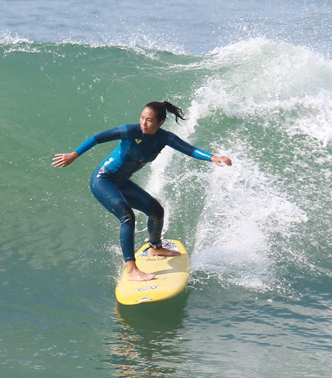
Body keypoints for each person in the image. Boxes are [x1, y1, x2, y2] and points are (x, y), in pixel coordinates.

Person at [52, 101, 232, 281]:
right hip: (104, 180)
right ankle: (131, 270)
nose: (143, 124)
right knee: (127, 217)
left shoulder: (165, 138)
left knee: (156, 211)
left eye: (149, 120)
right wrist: (73, 155)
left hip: (122, 182)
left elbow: (190, 149)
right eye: (142, 118)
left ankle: (155, 247)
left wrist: (213, 157)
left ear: (160, 122)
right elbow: (97, 138)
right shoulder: (130, 131)